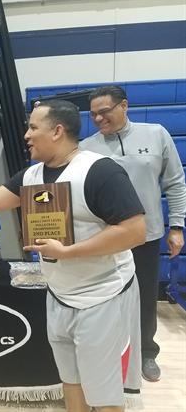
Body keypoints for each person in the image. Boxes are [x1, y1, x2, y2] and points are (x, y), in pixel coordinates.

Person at [0, 100, 146, 412]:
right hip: (60, 294)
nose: (26, 135)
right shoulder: (32, 175)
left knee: (103, 392)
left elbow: (134, 231)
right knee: (70, 381)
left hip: (103, 296)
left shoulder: (99, 171)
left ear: (58, 131)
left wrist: (68, 252)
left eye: (33, 127)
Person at [80, 85, 186, 382]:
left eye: (105, 112)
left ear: (124, 106)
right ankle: (109, 352)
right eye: (93, 115)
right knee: (105, 298)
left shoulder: (156, 134)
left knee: (143, 297)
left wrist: (176, 226)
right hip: (104, 238)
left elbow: (176, 183)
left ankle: (146, 352)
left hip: (145, 236)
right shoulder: (87, 147)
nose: (99, 119)